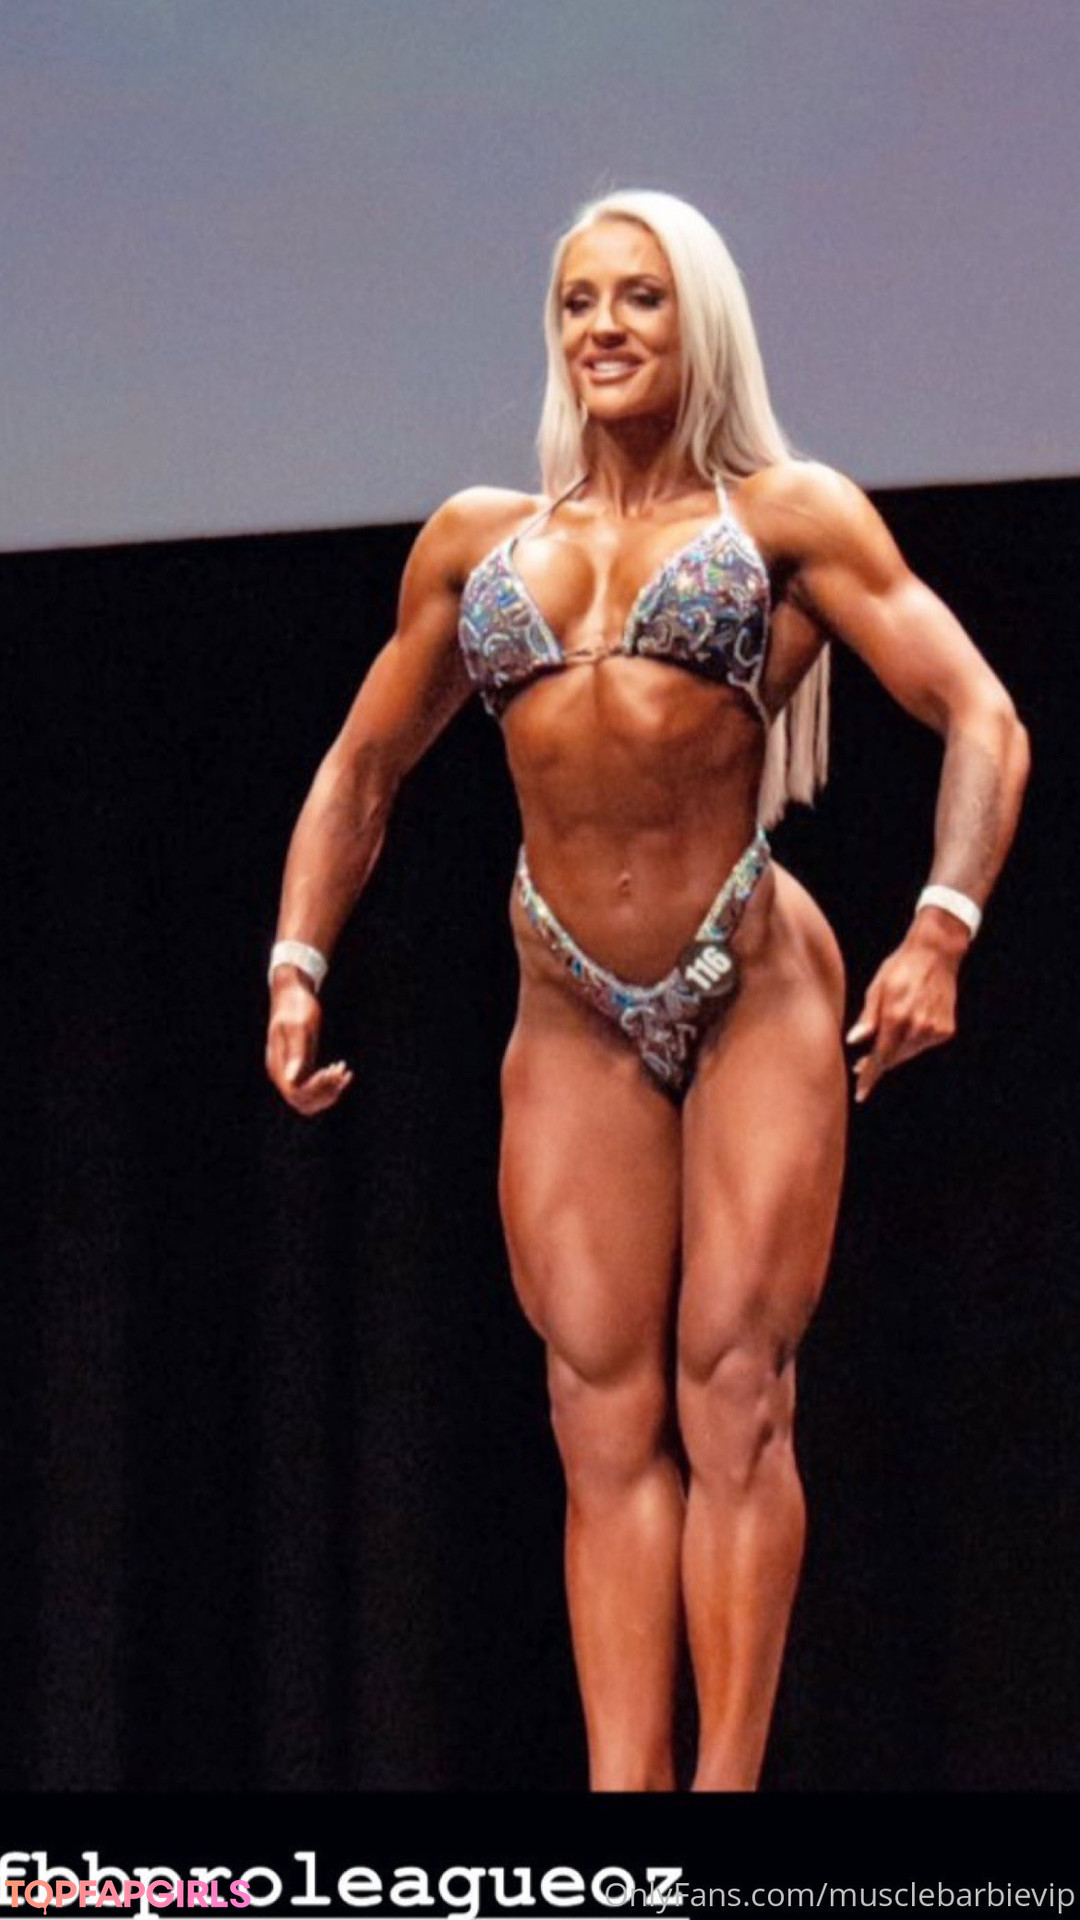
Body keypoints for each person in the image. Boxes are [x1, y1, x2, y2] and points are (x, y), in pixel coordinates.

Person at [264, 189, 1030, 1791]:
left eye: (640, 298)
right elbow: (358, 768)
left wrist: (942, 929)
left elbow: (982, 714)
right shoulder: (480, 545)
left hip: (751, 980)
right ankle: (630, 1823)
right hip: (570, 1002)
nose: (603, 327)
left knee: (733, 1390)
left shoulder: (787, 521)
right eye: (579, 302)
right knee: (597, 1413)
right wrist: (297, 959)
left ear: (701, 324)